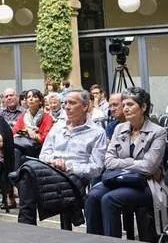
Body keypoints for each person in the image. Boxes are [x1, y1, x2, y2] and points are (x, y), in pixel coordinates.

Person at [85, 87, 168, 238]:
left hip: (146, 184)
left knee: (109, 199)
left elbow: (149, 167)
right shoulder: (119, 128)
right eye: (123, 105)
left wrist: (123, 162)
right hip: (118, 180)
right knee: (92, 196)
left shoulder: (158, 132)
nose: (125, 108)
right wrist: (135, 162)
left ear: (143, 107)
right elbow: (109, 161)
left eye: (130, 104)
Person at [14, 89, 106, 226]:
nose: (67, 107)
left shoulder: (97, 132)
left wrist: (68, 166)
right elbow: (44, 154)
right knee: (28, 170)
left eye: (72, 103)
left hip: (74, 176)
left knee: (27, 174)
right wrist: (53, 161)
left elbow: (97, 168)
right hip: (51, 169)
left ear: (85, 106)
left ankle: (26, 227)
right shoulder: (58, 126)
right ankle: (27, 225)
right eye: (65, 103)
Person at [12, 89, 54, 166]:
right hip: (22, 146)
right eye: (28, 97)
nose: (31, 99)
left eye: (34, 97)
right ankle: (14, 176)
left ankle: (13, 176)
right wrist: (28, 130)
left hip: (38, 149)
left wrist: (35, 136)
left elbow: (46, 138)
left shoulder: (47, 117)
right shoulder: (22, 117)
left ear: (40, 101)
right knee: (15, 152)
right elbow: (13, 133)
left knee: (16, 152)